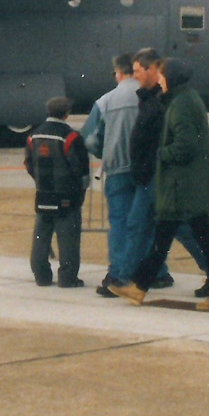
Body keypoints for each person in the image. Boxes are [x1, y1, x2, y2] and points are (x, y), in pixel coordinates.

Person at [112, 58, 209, 311]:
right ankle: (138, 287)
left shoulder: (181, 105)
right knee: (165, 237)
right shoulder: (183, 100)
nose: (159, 79)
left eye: (163, 75)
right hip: (182, 185)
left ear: (172, 78)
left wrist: (161, 154)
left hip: (184, 185)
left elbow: (186, 145)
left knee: (198, 238)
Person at [82, 53, 141, 295]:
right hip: (147, 169)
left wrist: (103, 153)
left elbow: (91, 138)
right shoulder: (152, 95)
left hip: (117, 168)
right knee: (147, 222)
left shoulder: (106, 100)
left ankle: (118, 274)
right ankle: (157, 272)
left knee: (119, 223)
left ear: (118, 72)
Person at [24, 96, 88, 287]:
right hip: (67, 194)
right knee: (68, 237)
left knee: (41, 235)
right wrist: (80, 189)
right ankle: (68, 278)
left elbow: (28, 163)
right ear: (67, 113)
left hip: (43, 192)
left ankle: (41, 275)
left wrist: (39, 181)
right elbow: (80, 168)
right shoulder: (70, 137)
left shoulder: (33, 136)